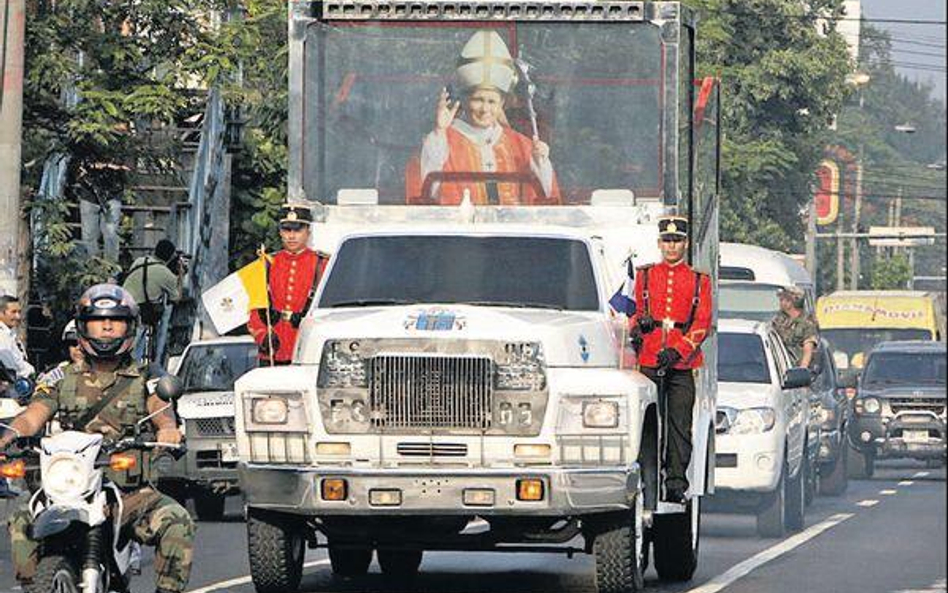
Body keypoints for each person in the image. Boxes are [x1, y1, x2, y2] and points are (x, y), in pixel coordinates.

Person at [1, 284, 194, 593]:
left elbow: (161, 410)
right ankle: (36, 586)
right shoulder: (60, 376)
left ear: (129, 327)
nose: (106, 328)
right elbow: (34, 413)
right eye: (98, 321)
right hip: (69, 488)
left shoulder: (147, 375)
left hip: (130, 494)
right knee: (22, 521)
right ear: (83, 327)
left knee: (177, 522)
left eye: (115, 321)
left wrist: (167, 431)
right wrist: (8, 435)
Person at [405, 29, 560, 205]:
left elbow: (546, 199)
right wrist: (440, 132)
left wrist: (540, 163)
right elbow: (425, 191)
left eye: (492, 102)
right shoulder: (442, 142)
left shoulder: (521, 145)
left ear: (502, 103)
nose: (485, 109)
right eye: (478, 100)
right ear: (464, 99)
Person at [628, 216, 712, 504]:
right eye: (667, 240)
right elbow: (634, 313)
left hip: (682, 363)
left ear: (685, 244)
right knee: (646, 423)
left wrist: (678, 350)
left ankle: (676, 481)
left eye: (677, 241)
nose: (671, 246)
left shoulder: (700, 280)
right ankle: (644, 477)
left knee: (679, 425)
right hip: (650, 359)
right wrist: (640, 325)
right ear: (659, 243)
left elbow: (702, 322)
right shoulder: (646, 275)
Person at [247, 204, 330, 364]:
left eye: (298, 230)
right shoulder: (267, 263)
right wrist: (262, 335)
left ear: (308, 232)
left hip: (307, 345)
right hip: (273, 348)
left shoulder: (322, 264)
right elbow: (254, 306)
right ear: (280, 232)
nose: (292, 236)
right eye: (287, 230)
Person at [123, 239, 183, 362]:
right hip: (141, 313)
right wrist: (181, 274)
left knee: (130, 344)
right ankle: (142, 365)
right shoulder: (166, 274)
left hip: (124, 307)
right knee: (137, 348)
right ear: (171, 256)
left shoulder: (139, 261)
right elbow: (176, 298)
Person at [771, 286, 819, 369]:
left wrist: (802, 370)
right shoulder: (779, 320)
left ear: (791, 302)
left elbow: (808, 350)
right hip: (780, 367)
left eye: (783, 299)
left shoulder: (807, 323)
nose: (781, 303)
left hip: (795, 369)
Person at [0, 295, 35, 381]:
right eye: (13, 312)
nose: (18, 317)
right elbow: (11, 366)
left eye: (19, 312)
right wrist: (31, 371)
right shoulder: (2, 336)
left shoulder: (10, 334)